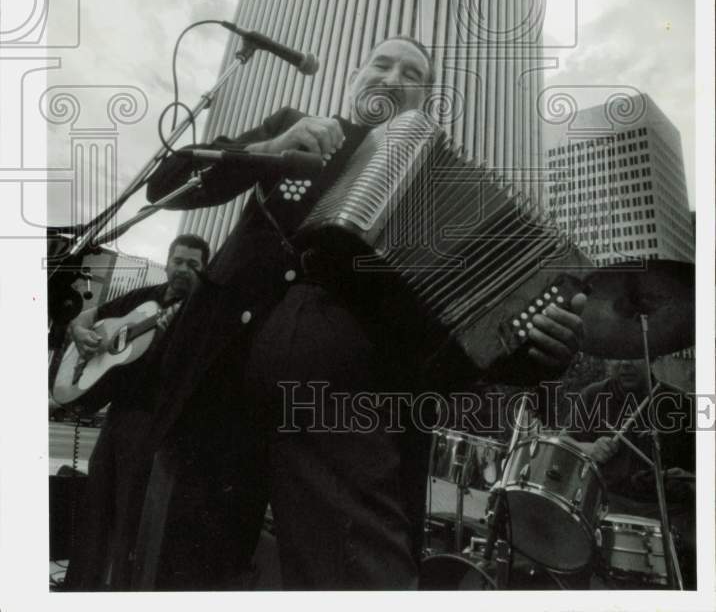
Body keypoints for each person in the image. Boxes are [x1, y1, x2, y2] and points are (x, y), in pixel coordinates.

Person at [137, 36, 587, 590]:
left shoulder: (446, 196)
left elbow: (471, 338)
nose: (393, 76)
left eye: (412, 74)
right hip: (222, 380)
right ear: (355, 77)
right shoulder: (296, 128)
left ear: (422, 98)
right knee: (188, 568)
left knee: (349, 573)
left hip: (340, 409)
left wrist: (543, 350)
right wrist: (272, 146)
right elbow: (167, 185)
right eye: (382, 63)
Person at [61, 233, 210, 591]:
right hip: (118, 417)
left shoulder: (201, 314)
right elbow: (84, 317)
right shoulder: (144, 297)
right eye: (178, 261)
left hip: (155, 426)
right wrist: (81, 334)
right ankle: (79, 588)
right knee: (95, 508)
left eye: (194, 265)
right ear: (168, 261)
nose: (183, 270)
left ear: (204, 271)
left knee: (132, 520)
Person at [563, 358, 696, 586]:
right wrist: (590, 448)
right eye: (618, 356)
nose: (625, 364)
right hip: (607, 509)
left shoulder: (679, 403)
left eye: (634, 356)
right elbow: (563, 441)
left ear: (651, 354)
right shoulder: (594, 395)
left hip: (667, 515)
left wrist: (686, 477)